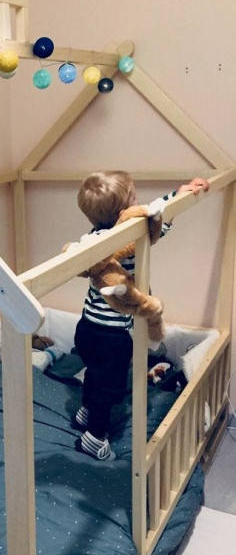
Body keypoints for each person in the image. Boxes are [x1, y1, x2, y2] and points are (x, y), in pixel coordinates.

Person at [72, 170, 209, 461]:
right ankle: (95, 437)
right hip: (113, 335)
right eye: (135, 198)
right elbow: (161, 218)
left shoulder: (92, 239)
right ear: (125, 211)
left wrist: (180, 191)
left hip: (86, 327)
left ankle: (85, 412)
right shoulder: (133, 237)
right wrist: (180, 195)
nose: (140, 202)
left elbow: (156, 211)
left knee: (95, 374)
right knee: (110, 387)